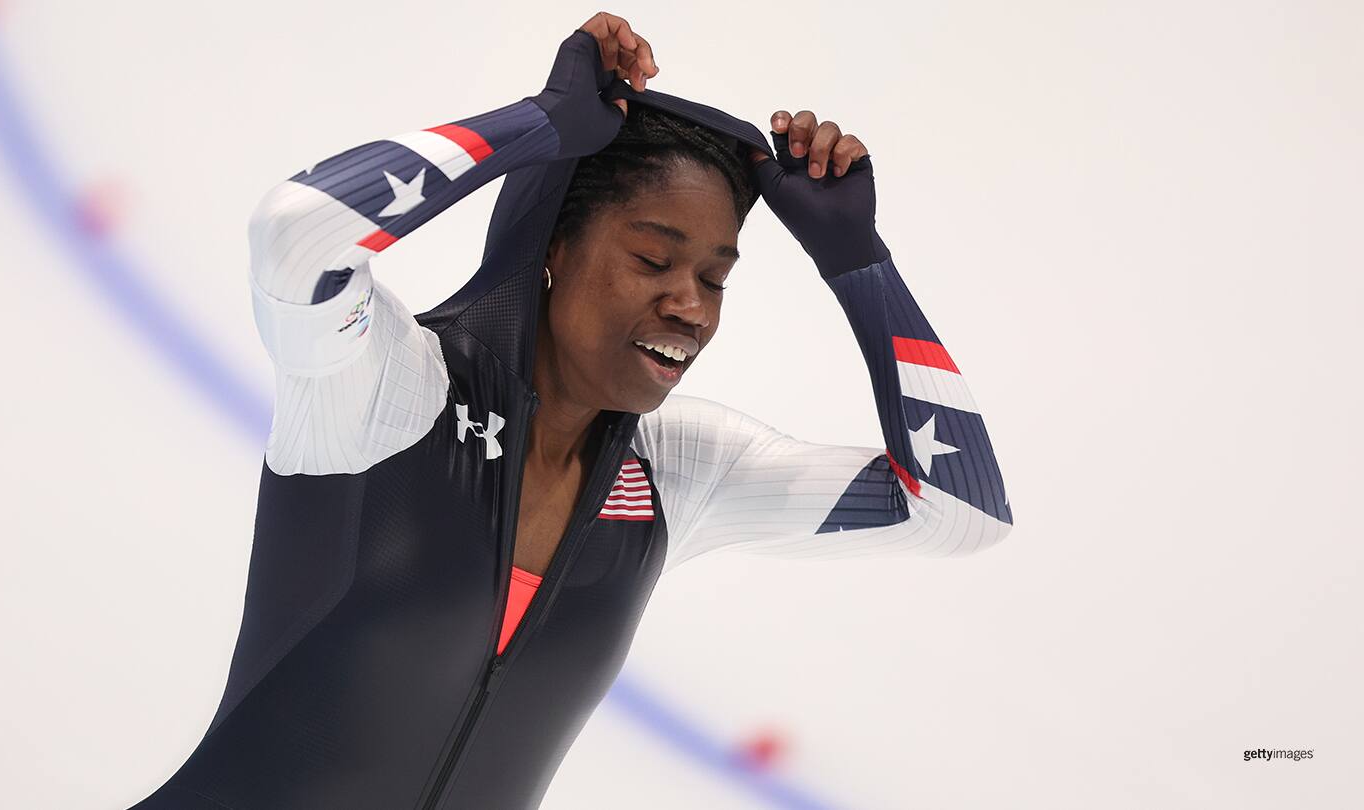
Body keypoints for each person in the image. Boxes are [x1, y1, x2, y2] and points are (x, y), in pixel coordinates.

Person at [127, 12, 1012, 810]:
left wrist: (857, 262)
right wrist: (537, 128)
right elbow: (294, 232)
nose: (691, 306)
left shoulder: (677, 474)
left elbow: (959, 510)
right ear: (552, 246)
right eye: (653, 260)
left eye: (714, 278)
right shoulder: (392, 392)